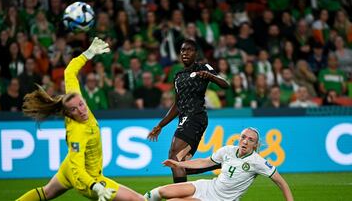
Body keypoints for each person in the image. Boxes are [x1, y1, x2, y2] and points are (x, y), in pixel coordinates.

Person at [16, 38, 145, 201]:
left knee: (46, 192)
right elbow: (78, 168)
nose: (81, 110)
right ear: (69, 114)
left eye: (82, 104)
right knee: (139, 200)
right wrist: (95, 186)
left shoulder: (73, 97)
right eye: (75, 109)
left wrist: (88, 53)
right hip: (87, 180)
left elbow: (69, 72)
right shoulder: (77, 131)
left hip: (67, 167)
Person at [147, 39, 229, 183]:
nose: (185, 53)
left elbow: (225, 84)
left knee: (174, 156)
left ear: (196, 53)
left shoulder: (203, 67)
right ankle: (219, 164)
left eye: (189, 50)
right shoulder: (178, 76)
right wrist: (160, 125)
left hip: (196, 117)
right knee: (181, 165)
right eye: (183, 50)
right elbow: (177, 105)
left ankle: (180, 196)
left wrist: (210, 76)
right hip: (184, 119)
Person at [144, 127, 294, 201]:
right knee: (159, 192)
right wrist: (179, 165)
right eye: (243, 137)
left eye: (250, 140)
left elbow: (282, 183)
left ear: (255, 145)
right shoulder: (228, 150)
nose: (245, 141)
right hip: (207, 186)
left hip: (219, 199)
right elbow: (205, 162)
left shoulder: (258, 162)